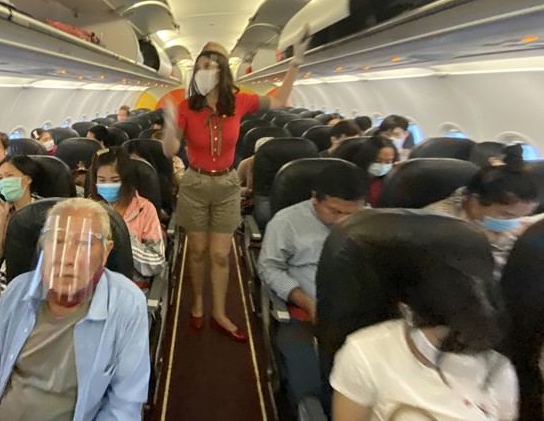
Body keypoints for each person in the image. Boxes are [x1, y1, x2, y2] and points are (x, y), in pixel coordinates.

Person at [162, 25, 311, 342]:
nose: (206, 71)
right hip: (195, 184)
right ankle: (198, 303)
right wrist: (170, 123)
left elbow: (281, 100)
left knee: (220, 254)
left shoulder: (240, 101)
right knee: (198, 252)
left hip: (227, 184)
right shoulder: (187, 108)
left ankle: (219, 311)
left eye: (212, 65)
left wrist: (294, 63)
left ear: (223, 71)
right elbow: (170, 150)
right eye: (202, 66)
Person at [0, 198, 150, 420]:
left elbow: (124, 406)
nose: (66, 258)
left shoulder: (126, 304)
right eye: (57, 240)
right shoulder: (17, 292)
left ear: (106, 252)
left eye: (83, 243)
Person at [330, 254, 518, 420]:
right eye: (454, 336)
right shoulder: (366, 354)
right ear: (413, 315)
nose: (465, 344)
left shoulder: (497, 369)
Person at [257, 164, 368, 413]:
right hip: (307, 314)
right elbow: (269, 268)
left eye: (352, 214)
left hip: (363, 315)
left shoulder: (373, 223)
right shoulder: (287, 222)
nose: (344, 221)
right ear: (315, 197)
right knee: (310, 387)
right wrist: (305, 301)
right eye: (336, 211)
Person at [425, 144, 539, 278]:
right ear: (475, 201)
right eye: (507, 215)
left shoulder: (504, 216)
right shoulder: (436, 225)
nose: (516, 223)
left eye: (523, 216)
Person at [88, 147, 166, 289]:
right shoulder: (87, 209)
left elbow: (156, 263)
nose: (107, 185)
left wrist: (122, 236)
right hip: (92, 285)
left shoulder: (145, 210)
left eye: (114, 180)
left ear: (125, 180)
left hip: (132, 286)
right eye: (102, 180)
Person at [0, 156, 42, 288]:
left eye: (9, 176)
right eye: (0, 178)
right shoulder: (2, 211)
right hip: (5, 276)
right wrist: (2, 215)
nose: (4, 182)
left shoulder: (43, 209)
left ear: (27, 179)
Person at [351, 136, 399, 208]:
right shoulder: (352, 178)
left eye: (388, 162)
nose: (383, 165)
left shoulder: (392, 181)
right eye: (377, 161)